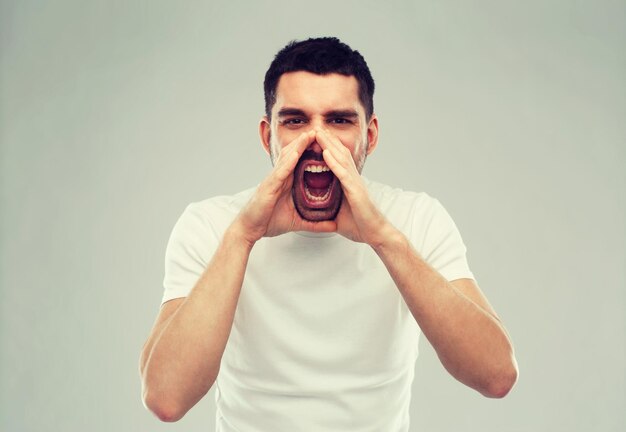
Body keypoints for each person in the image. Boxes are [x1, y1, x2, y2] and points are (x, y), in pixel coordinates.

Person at [139, 37, 518, 431]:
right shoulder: (211, 225)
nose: (317, 141)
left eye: (339, 120)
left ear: (369, 135)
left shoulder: (415, 218)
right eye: (295, 121)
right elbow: (166, 397)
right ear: (267, 135)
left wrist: (384, 239)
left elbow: (495, 375)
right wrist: (243, 236)